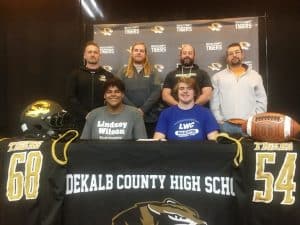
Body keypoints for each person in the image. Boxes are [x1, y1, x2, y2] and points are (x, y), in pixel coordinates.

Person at [210, 42, 267, 135]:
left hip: (249, 125)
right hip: (225, 126)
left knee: (249, 150)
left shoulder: (255, 76)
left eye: (237, 52)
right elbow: (214, 102)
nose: (234, 55)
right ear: (227, 57)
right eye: (231, 54)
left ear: (242, 54)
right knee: (226, 150)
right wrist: (219, 120)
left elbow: (262, 100)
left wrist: (255, 120)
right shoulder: (217, 77)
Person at [66, 41, 114, 132]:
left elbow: (112, 97)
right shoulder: (75, 74)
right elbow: (70, 97)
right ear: (84, 55)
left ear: (100, 55)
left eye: (95, 52)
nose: (92, 54)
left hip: (103, 120)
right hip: (80, 120)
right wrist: (85, 114)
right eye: (90, 52)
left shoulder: (109, 76)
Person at [117, 42, 161, 137]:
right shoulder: (122, 71)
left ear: (145, 54)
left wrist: (143, 109)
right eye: (136, 50)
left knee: (148, 148)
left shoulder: (153, 71)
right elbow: (119, 92)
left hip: (149, 118)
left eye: (141, 51)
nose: (139, 52)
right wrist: (134, 110)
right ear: (131, 53)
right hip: (128, 116)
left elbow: (156, 92)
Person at [153, 77, 219, 141]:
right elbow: (157, 141)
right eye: (181, 88)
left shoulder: (205, 112)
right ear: (177, 92)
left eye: (189, 88)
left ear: (195, 93)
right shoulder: (166, 113)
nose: (185, 91)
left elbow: (214, 142)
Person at [81, 77, 147, 140]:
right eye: (109, 92)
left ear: (122, 95)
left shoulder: (135, 114)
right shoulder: (93, 114)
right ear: (104, 95)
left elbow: (142, 144)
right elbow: (84, 144)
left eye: (117, 91)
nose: (113, 94)